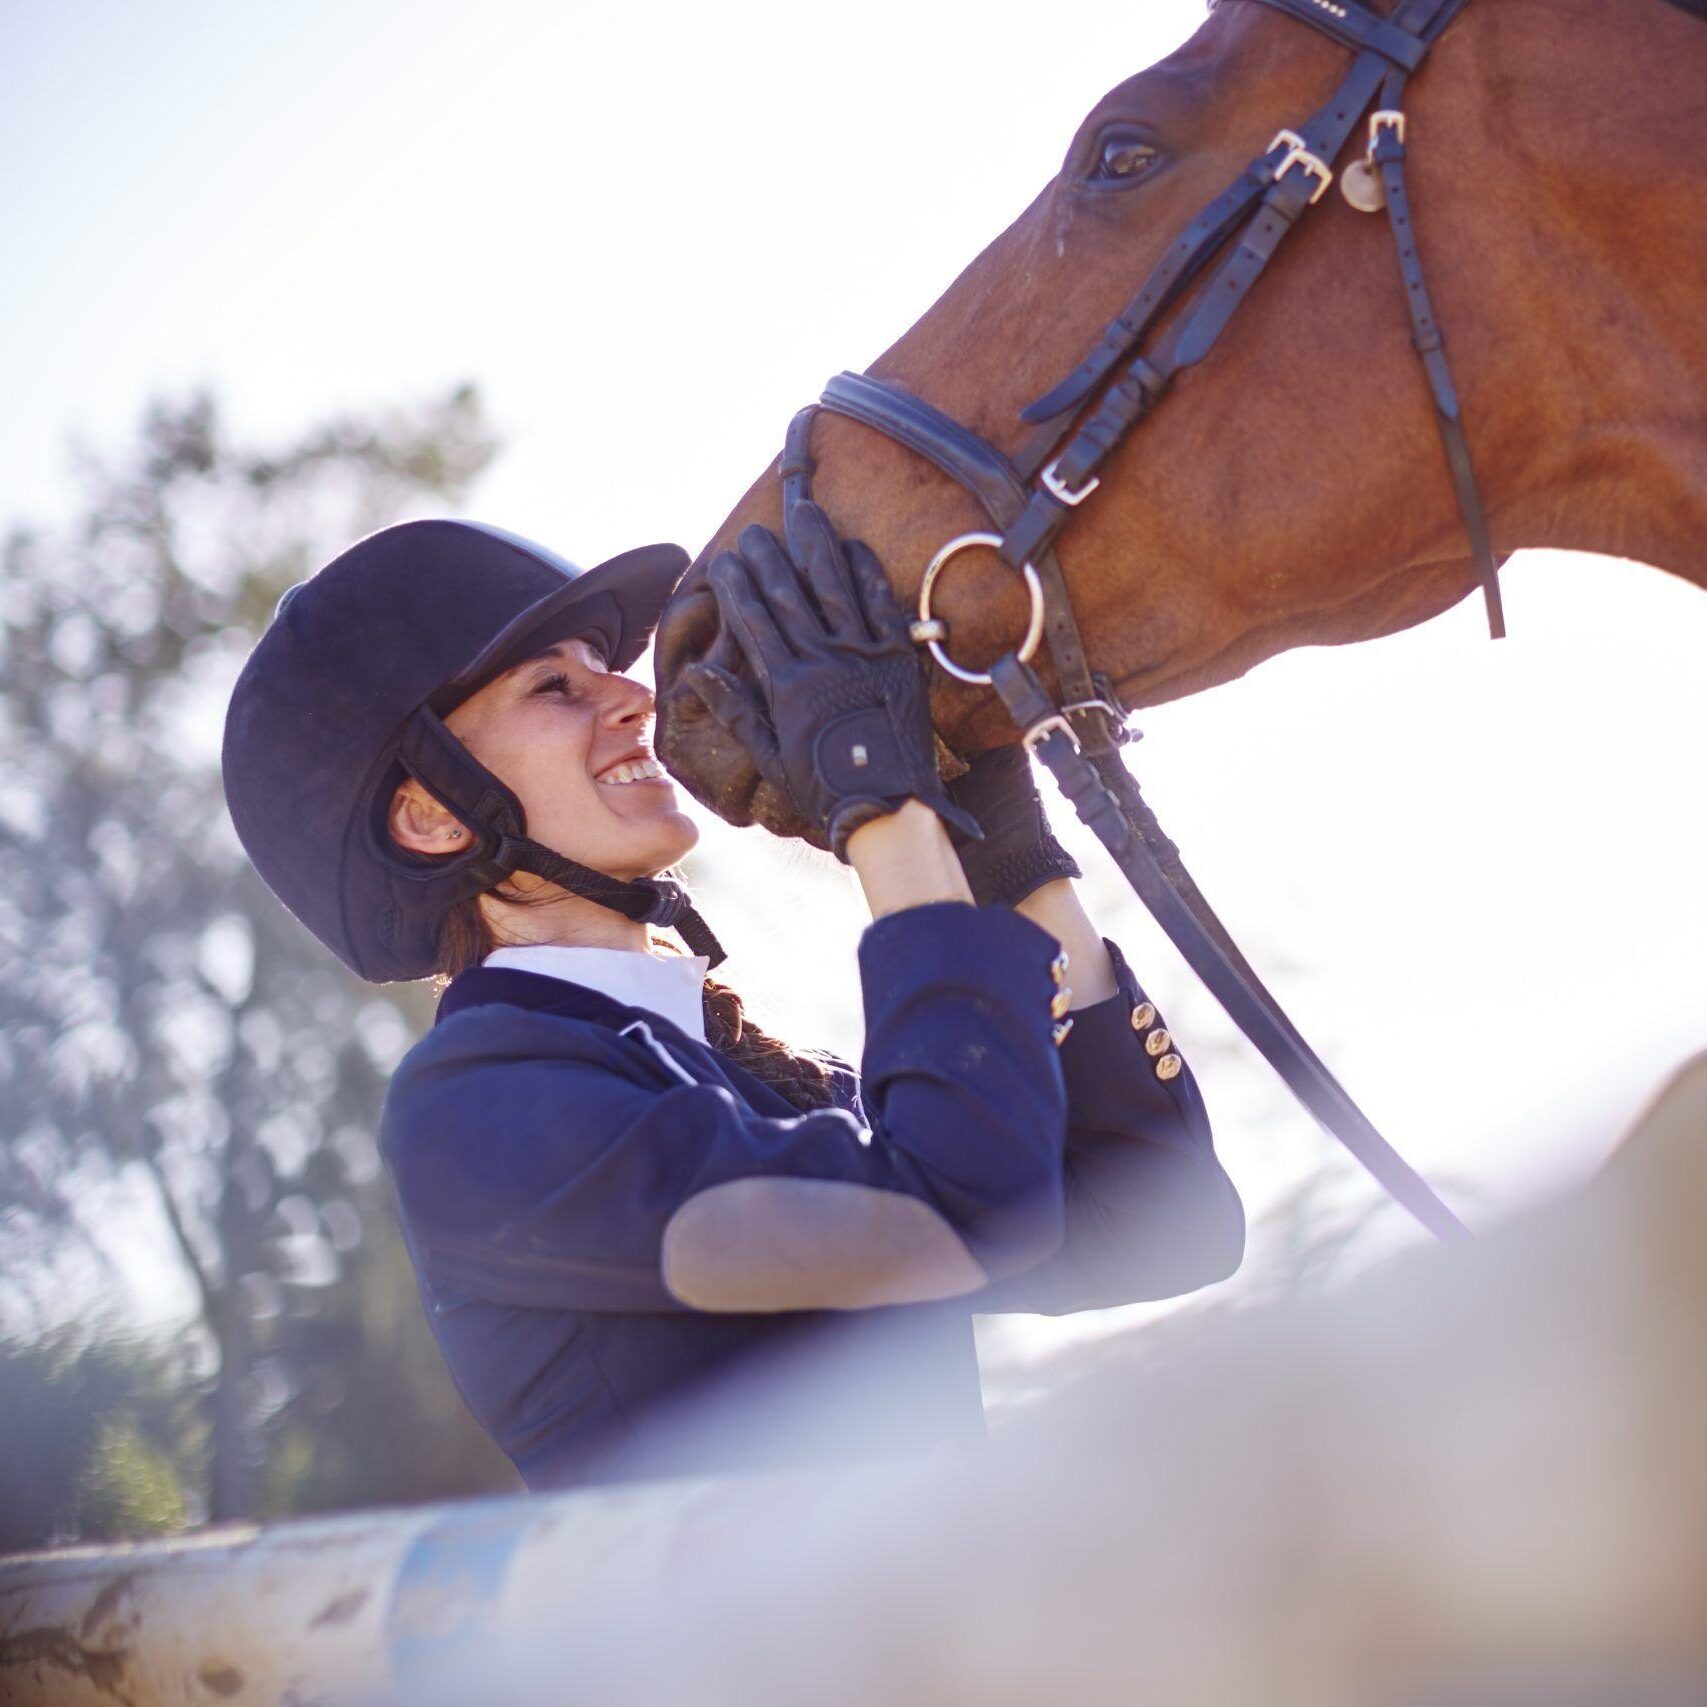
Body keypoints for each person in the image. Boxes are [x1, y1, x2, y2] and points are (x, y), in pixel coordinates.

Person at [221, 506, 1244, 1491]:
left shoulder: (766, 1078)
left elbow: (1167, 1222)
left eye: (604, 670)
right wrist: (876, 800)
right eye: (552, 687)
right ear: (434, 817)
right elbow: (962, 1212)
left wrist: (1009, 849)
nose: (630, 699)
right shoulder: (474, 1109)